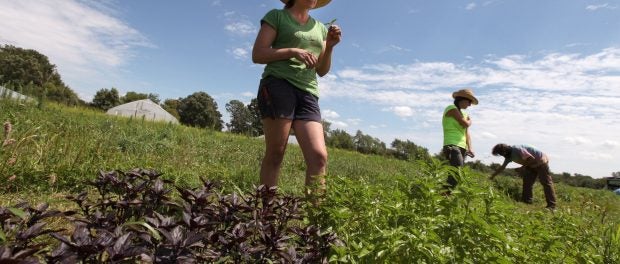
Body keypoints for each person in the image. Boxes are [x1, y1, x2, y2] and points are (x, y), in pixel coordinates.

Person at [252, 0, 341, 193]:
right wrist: (293, 51)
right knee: (276, 153)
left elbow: (322, 70)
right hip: (278, 85)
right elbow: (258, 54)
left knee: (319, 156)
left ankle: (315, 218)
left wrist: (331, 47)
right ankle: (267, 216)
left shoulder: (319, 28)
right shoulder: (277, 16)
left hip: (308, 92)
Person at [489, 143, 557, 209]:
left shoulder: (517, 149)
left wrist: (522, 168)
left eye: (501, 153)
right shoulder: (509, 156)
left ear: (504, 150)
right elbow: (502, 167)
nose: (501, 155)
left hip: (540, 161)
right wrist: (492, 176)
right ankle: (527, 201)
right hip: (530, 165)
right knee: (527, 182)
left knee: (546, 182)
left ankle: (552, 206)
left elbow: (531, 158)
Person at [441, 88, 478, 188]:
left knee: (455, 175)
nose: (470, 105)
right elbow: (465, 123)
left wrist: (470, 148)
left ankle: (444, 197)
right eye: (469, 101)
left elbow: (467, 133)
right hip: (452, 144)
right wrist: (470, 122)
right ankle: (443, 196)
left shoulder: (465, 114)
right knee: (456, 173)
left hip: (463, 147)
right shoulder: (451, 108)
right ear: (462, 99)